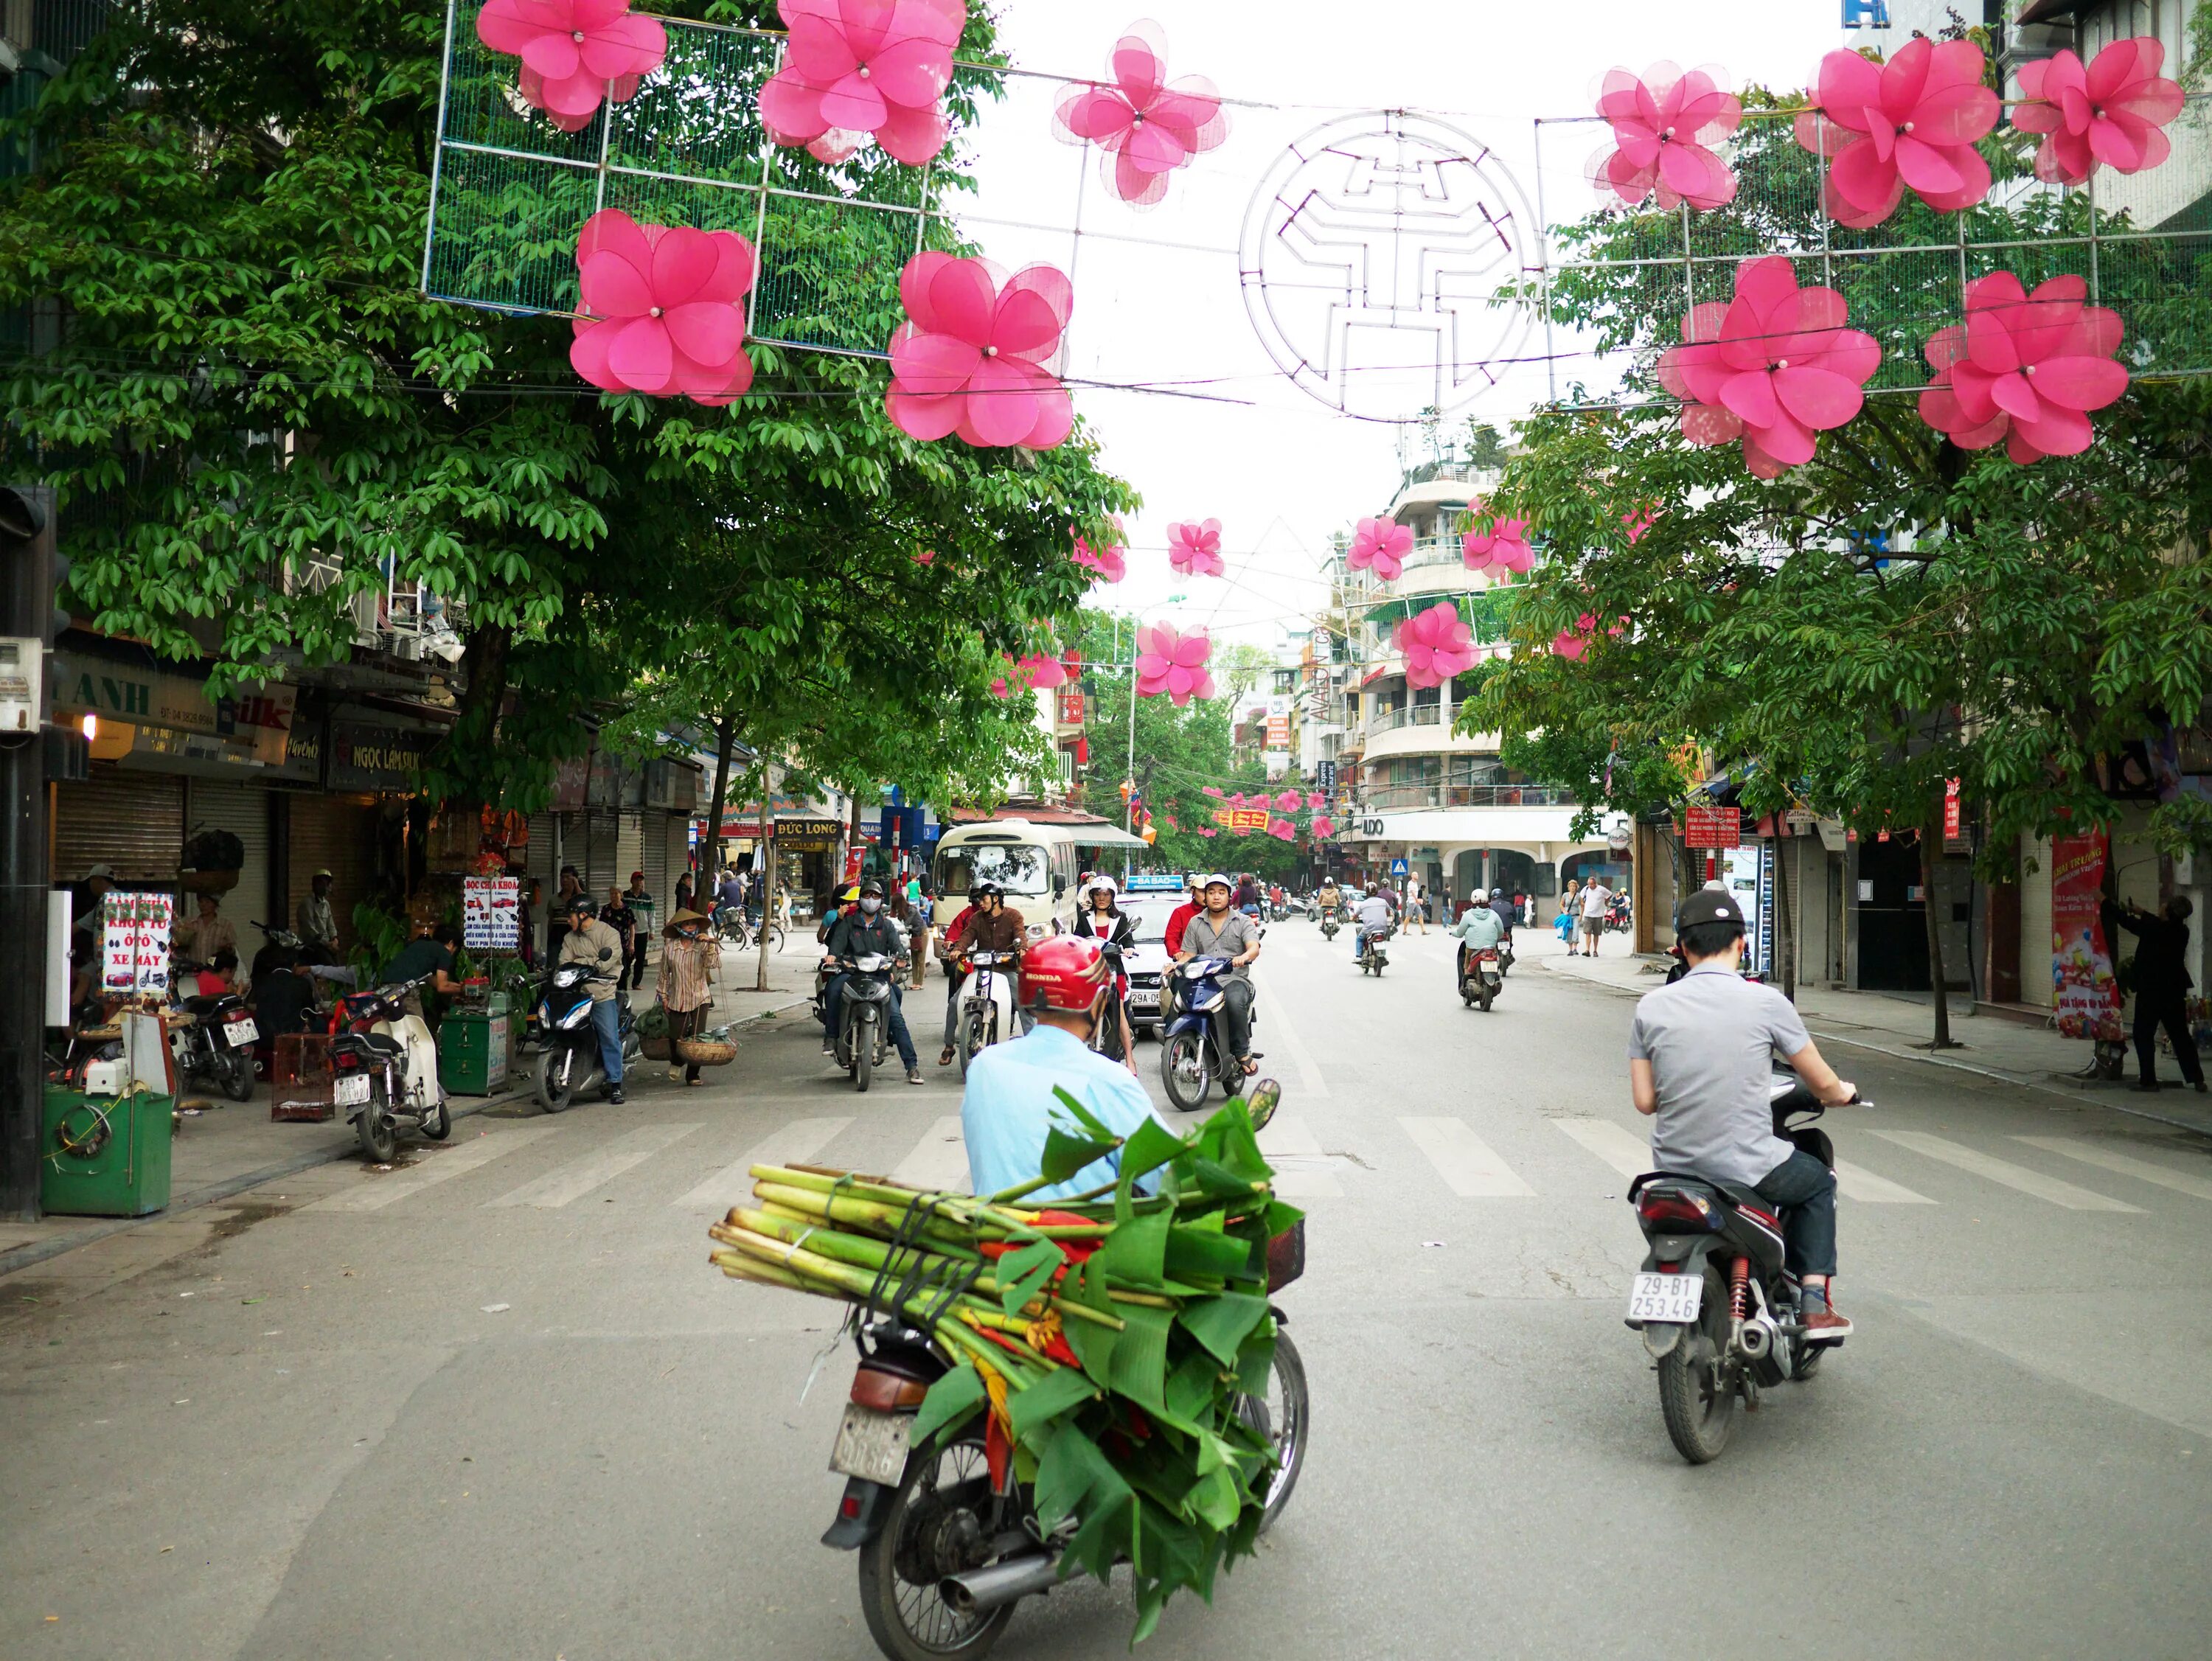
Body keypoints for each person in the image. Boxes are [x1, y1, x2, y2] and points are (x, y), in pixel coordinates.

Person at [1627, 887, 1857, 1339]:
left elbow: (1646, 1102)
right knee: (1817, 1183)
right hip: (1746, 1169)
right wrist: (1843, 1092)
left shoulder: (1650, 1007)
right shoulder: (1766, 1002)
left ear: (1682, 949)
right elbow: (1823, 1084)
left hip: (1674, 1171)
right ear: (1741, 944)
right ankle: (1813, 1301)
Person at [961, 936, 1162, 1202]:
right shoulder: (1108, 1080)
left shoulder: (984, 1068)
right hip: (1081, 1239)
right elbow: (1164, 1178)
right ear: (1100, 1001)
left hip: (993, 1235)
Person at [821, 880, 922, 1084]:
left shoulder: (886, 926)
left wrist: (901, 958)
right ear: (860, 900)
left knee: (896, 1013)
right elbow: (836, 945)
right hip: (850, 974)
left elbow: (897, 948)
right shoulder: (849, 923)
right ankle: (831, 1037)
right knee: (832, 990)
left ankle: (911, 1066)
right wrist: (833, 956)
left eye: (875, 897)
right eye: (867, 896)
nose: (871, 900)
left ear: (881, 901)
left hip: (879, 977)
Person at [2109, 896, 2205, 1093]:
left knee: (2143, 1033)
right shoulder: (2181, 931)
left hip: (2151, 990)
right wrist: (2141, 911)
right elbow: (2157, 924)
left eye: (2164, 905)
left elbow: (2128, 922)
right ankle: (2197, 1080)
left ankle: (2148, 1081)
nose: (2160, 905)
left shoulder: (2153, 929)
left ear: (2168, 912)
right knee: (2180, 1035)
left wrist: (2104, 902)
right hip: (2173, 991)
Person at [1177, 874, 1263, 1076]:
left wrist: (1244, 956)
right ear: (1204, 897)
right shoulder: (1195, 922)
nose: (1216, 897)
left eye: (1221, 893)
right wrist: (1174, 966)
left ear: (1229, 896)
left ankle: (1241, 1052)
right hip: (1203, 981)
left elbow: (1254, 947)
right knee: (1178, 999)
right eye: (1212, 892)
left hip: (1234, 979)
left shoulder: (1242, 921)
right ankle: (1179, 1045)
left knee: (1234, 1002)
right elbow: (1188, 955)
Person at [939, 878, 1026, 1066]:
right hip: (983, 969)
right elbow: (967, 936)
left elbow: (1020, 935)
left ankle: (1034, 1047)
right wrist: (958, 949)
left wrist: (1021, 950)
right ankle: (948, 1046)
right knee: (955, 1002)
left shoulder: (1013, 916)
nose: (981, 903)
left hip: (1006, 970)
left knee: (1024, 1003)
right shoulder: (977, 918)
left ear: (996, 899)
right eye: (980, 899)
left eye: (984, 899)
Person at [557, 894, 627, 1103]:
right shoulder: (570, 938)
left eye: (571, 916)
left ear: (583, 915)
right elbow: (563, 963)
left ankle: (615, 1083)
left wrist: (580, 963)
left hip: (601, 993)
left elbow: (605, 962)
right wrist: (585, 964)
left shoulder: (609, 934)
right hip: (575, 995)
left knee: (609, 1037)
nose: (568, 921)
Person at [1073, 875, 1141, 1076]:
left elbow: (1128, 940)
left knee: (1119, 1013)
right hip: (1092, 971)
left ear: (1112, 896)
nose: (1101, 898)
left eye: (1106, 894)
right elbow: (1077, 939)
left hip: (1114, 971)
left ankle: (1129, 1058)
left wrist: (1128, 949)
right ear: (1092, 897)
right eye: (1097, 894)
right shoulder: (1084, 918)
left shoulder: (1121, 918)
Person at [656, 907, 721, 1086]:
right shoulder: (670, 948)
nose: (690, 927)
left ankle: (693, 1074)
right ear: (679, 927)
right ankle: (677, 1061)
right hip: (677, 997)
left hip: (700, 997)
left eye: (693, 924)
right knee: (675, 1036)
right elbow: (664, 973)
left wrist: (709, 944)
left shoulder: (702, 945)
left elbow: (713, 964)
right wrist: (663, 996)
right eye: (687, 924)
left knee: (697, 1037)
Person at [381, 922, 465, 1014]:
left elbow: (429, 979)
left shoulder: (421, 946)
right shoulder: (444, 952)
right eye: (454, 950)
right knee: (417, 1026)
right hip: (405, 991)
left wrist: (458, 986)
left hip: (386, 988)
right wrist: (464, 990)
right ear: (451, 943)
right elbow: (442, 987)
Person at [1450, 888, 1505, 986]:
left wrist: (1452, 932)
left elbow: (1460, 933)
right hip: (1490, 949)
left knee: (1467, 961)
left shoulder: (1468, 915)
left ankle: (1465, 983)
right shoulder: (1494, 915)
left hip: (1473, 949)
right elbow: (1501, 932)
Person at [175, 892, 238, 972]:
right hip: (194, 973)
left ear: (215, 904)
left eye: (207, 902)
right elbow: (180, 949)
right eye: (201, 902)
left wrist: (227, 947)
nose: (203, 905)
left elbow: (232, 952)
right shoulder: (191, 924)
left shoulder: (225, 926)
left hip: (215, 973)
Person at [601, 884, 639, 995]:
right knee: (608, 968)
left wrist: (632, 943)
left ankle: (622, 993)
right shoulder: (606, 909)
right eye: (611, 893)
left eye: (616, 893)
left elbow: (631, 927)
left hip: (623, 944)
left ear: (621, 895)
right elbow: (601, 926)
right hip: (608, 944)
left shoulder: (627, 909)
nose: (613, 896)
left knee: (623, 969)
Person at [620, 871, 655, 987]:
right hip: (628, 932)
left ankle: (636, 983)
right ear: (632, 881)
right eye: (637, 880)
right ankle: (625, 977)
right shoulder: (625, 896)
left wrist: (652, 931)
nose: (640, 882)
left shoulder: (647, 898)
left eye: (641, 880)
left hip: (642, 931)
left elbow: (651, 915)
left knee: (640, 958)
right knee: (627, 958)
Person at [296, 868, 339, 958]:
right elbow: (310, 930)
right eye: (323, 884)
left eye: (328, 884)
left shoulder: (326, 904)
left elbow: (331, 925)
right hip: (312, 946)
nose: (327, 887)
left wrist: (334, 939)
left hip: (327, 945)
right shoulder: (307, 903)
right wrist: (327, 944)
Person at [1351, 885, 1392, 964]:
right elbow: (1388, 911)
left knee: (1359, 939)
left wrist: (1352, 919)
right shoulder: (1383, 902)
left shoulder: (1363, 904)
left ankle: (1359, 956)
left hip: (1368, 929)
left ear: (1366, 892)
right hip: (1383, 929)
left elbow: (1355, 916)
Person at [1579, 874, 1615, 957]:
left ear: (1595, 883)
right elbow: (1581, 897)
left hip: (1598, 915)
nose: (1590, 886)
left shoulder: (1601, 889)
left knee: (1596, 933)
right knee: (1588, 932)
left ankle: (1595, 950)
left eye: (1592, 884)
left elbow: (1610, 894)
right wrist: (1582, 904)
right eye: (1589, 884)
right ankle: (1587, 950)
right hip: (1588, 914)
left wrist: (1606, 901)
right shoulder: (1586, 889)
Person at [1559, 879, 1583, 953]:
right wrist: (1564, 911)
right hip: (1568, 916)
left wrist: (1581, 915)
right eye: (1571, 886)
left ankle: (1575, 948)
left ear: (1576, 887)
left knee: (1575, 931)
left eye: (1574, 886)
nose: (1572, 888)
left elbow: (1582, 905)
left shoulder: (1578, 896)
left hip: (1576, 916)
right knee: (1569, 931)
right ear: (1569, 887)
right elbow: (1561, 904)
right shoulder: (1565, 895)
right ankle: (1570, 949)